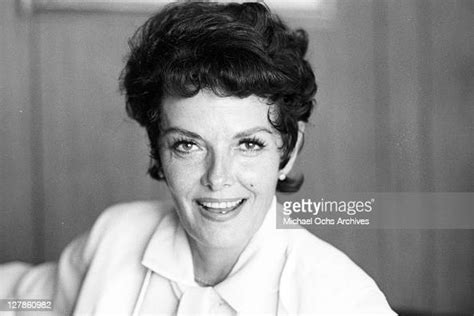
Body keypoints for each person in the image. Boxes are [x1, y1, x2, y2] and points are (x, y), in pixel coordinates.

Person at [1, 2, 395, 315]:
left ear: (288, 150)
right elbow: (24, 303)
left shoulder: (343, 301)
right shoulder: (116, 237)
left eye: (249, 144)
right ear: (158, 146)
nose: (218, 177)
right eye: (188, 145)